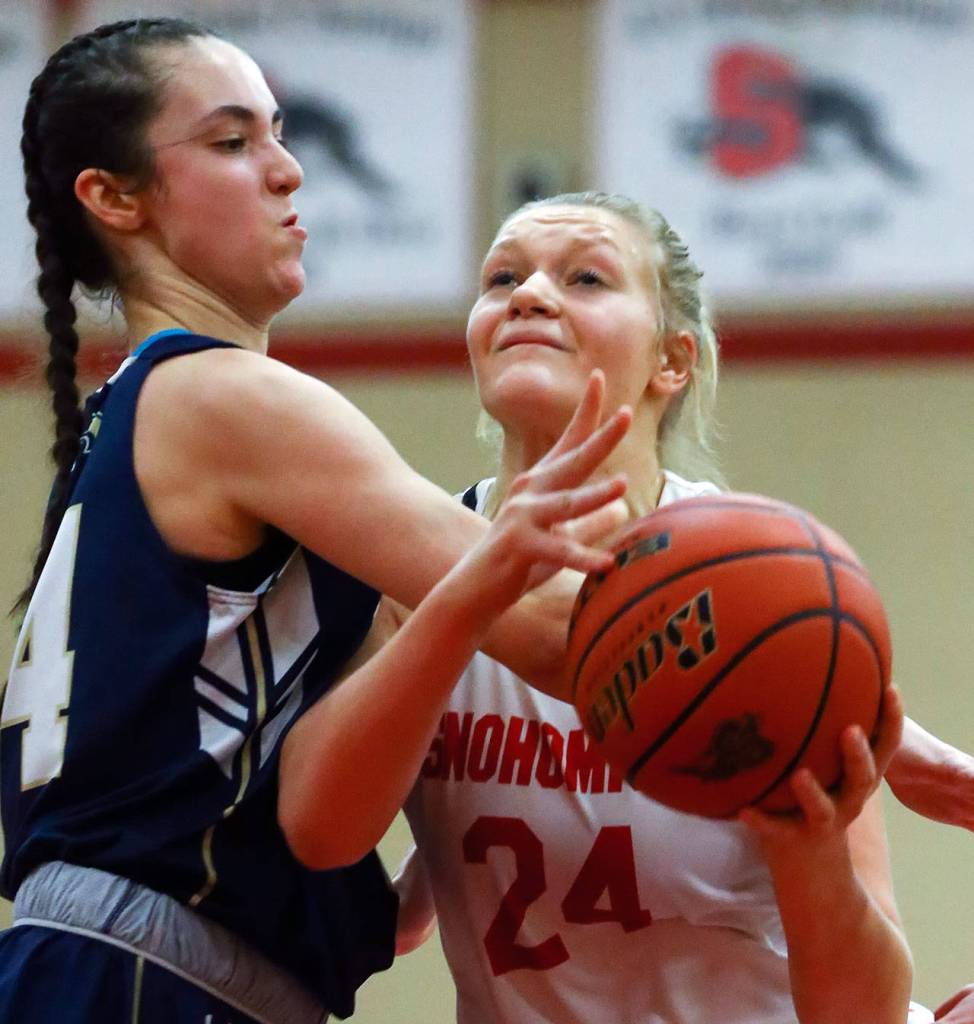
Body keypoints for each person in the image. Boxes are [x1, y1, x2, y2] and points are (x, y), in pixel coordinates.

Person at [0, 20, 634, 1024]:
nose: (289, 170)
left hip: (139, 968)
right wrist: (846, 719)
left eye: (279, 132)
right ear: (114, 197)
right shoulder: (227, 397)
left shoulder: (148, 415)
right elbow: (561, 634)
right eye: (231, 141)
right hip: (138, 978)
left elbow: (319, 821)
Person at [360, 191, 920, 1022]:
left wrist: (811, 861)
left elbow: (863, 1013)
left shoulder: (772, 588)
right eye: (503, 277)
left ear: (673, 360)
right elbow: (359, 896)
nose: (530, 295)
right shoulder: (408, 578)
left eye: (585, 277)